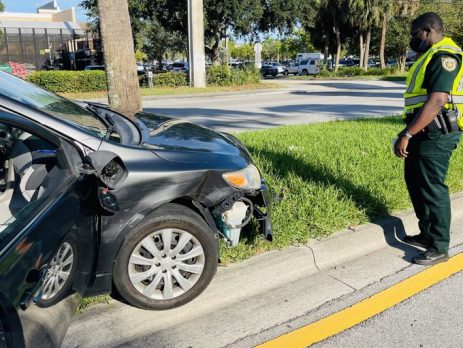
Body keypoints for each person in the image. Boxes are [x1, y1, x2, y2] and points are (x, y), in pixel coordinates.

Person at [395, 12, 463, 266]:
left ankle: (439, 246)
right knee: (415, 182)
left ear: (428, 30)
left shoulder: (445, 56)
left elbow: (437, 100)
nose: (413, 39)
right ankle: (427, 234)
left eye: (415, 34)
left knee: (432, 187)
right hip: (423, 131)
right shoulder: (429, 55)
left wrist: (407, 133)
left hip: (437, 133)